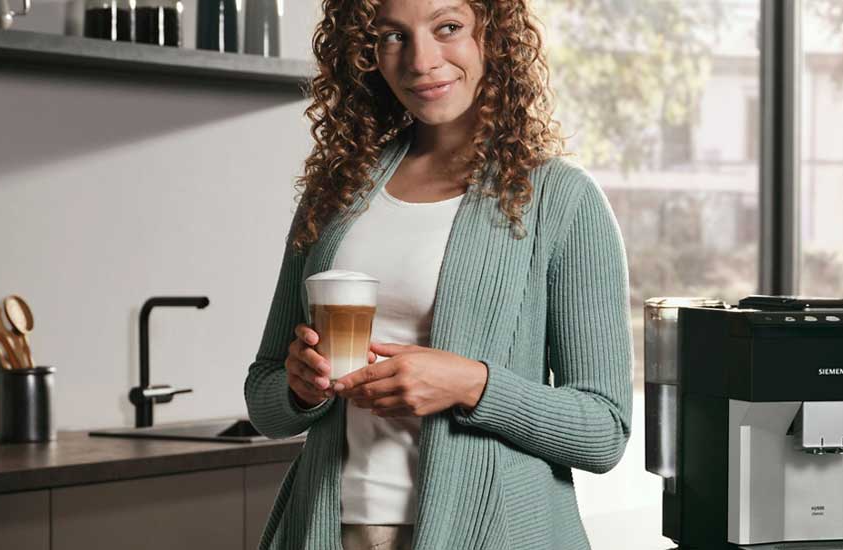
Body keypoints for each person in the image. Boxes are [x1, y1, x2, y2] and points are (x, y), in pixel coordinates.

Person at [244, 1, 633, 549]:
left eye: (448, 28)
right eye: (392, 36)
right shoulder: (338, 190)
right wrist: (300, 390)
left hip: (493, 535)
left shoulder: (561, 200)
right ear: (366, 52)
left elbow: (603, 431)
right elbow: (264, 395)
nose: (421, 61)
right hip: (333, 530)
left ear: (493, 35)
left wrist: (470, 385)